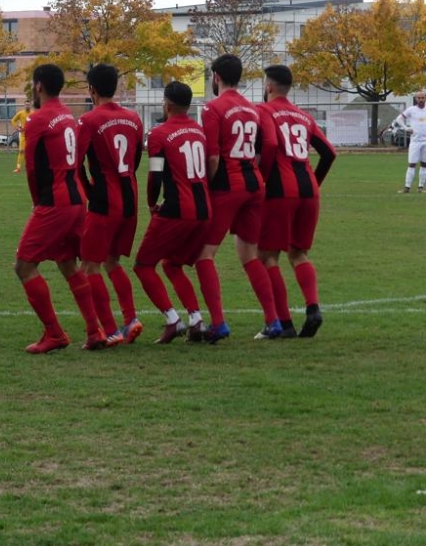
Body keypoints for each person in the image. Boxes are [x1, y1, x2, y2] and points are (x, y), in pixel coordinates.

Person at [14, 63, 105, 354]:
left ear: (38, 85)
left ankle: (55, 333)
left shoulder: (37, 120)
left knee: (24, 265)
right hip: (76, 197)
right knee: (68, 263)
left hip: (55, 201)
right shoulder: (68, 116)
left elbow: (31, 169)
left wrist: (37, 202)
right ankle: (94, 330)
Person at [194, 53, 279, 343]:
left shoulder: (213, 108)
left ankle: (218, 323)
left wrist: (206, 185)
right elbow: (264, 145)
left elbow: (214, 155)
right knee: (249, 255)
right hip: (255, 183)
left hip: (229, 185)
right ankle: (272, 320)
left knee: (204, 255)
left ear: (216, 75)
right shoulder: (253, 108)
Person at [257, 65, 336, 338]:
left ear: (269, 86)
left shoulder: (264, 111)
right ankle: (313, 308)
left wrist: (262, 179)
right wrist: (314, 182)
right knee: (298, 253)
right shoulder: (303, 115)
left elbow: (266, 146)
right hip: (308, 189)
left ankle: (284, 323)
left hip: (280, 189)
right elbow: (329, 153)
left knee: (267, 255)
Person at [133, 82, 211, 344]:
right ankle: (197, 320)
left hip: (178, 209)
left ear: (166, 104)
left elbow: (155, 174)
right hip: (204, 210)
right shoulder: (199, 131)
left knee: (143, 265)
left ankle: (172, 320)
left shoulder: (159, 134)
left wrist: (151, 202)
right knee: (172, 264)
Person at [76, 64, 145, 345]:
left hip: (105, 198)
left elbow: (76, 163)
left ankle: (111, 329)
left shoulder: (88, 120)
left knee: (89, 266)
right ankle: (131, 319)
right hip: (131, 196)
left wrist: (89, 191)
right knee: (112, 261)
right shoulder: (134, 118)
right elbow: (138, 157)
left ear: (91, 89)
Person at [395, 91, 426, 193]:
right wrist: (406, 128)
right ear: (416, 99)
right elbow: (399, 119)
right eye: (419, 98)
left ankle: (421, 187)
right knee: (412, 164)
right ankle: (407, 187)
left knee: (424, 164)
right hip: (415, 141)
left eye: (422, 97)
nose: (421, 99)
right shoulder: (412, 110)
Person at [10, 102, 31, 173]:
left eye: (28, 104)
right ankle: (18, 168)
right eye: (26, 104)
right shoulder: (21, 113)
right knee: (21, 151)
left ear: (30, 105)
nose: (27, 106)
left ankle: (31, 167)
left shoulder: (33, 114)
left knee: (31, 152)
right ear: (24, 105)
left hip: (31, 136)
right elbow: (13, 120)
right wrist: (18, 128)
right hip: (23, 135)